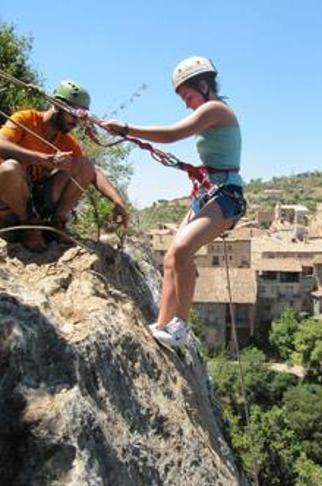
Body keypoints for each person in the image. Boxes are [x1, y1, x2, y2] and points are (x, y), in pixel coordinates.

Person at [103, 56, 245, 347]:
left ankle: (180, 327)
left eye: (188, 96)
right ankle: (163, 323)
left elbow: (172, 134)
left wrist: (126, 129)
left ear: (204, 86)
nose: (186, 103)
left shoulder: (215, 109)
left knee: (182, 249)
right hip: (208, 193)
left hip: (226, 195)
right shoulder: (210, 112)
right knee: (171, 258)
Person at [0, 80, 128, 250]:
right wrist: (43, 159)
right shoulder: (25, 119)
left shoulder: (67, 142)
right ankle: (28, 224)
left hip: (37, 199)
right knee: (10, 168)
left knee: (84, 164)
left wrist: (117, 201)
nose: (76, 122)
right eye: (72, 114)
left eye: (80, 117)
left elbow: (92, 172)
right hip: (9, 201)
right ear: (57, 105)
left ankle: (55, 225)